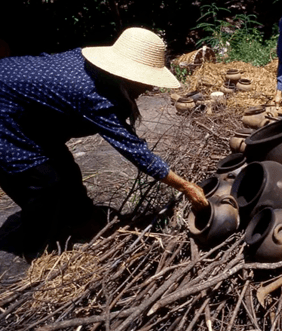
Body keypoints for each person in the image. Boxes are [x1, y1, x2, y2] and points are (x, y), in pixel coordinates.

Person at [0, 27, 209, 251]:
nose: (150, 87)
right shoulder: (93, 95)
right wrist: (186, 186)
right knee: (43, 183)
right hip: (5, 116)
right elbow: (136, 151)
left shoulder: (98, 73)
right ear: (128, 75)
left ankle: (79, 220)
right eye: (146, 81)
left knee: (66, 170)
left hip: (28, 114)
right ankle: (39, 247)